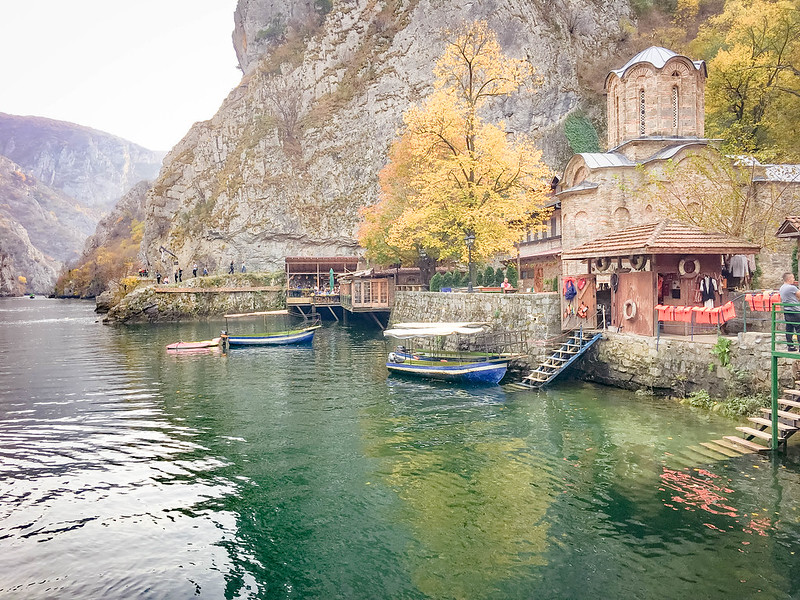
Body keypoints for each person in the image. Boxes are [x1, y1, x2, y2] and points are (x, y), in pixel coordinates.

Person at [780, 272, 800, 351]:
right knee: (799, 329)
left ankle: (790, 346)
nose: (794, 280)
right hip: (795, 311)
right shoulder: (792, 288)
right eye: (793, 278)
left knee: (789, 329)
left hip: (787, 310)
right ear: (789, 279)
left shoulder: (781, 287)